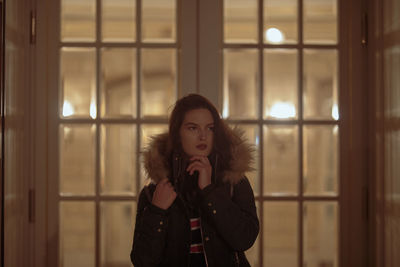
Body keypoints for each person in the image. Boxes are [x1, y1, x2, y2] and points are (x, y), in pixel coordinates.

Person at [130, 94, 259, 267]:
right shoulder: (155, 191)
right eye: (193, 128)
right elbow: (142, 261)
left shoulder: (234, 182)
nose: (203, 136)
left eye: (210, 128)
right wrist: (157, 212)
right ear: (177, 133)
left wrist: (209, 191)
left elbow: (244, 239)